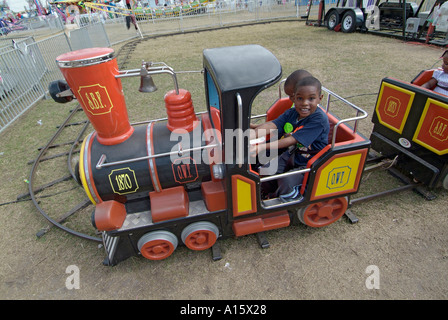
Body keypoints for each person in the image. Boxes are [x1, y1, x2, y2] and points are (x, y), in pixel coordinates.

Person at [251, 76, 329, 202]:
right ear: (293, 99)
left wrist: (262, 146)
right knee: (266, 168)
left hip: (310, 161)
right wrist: (252, 134)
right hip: (293, 153)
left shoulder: (318, 119)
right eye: (300, 98)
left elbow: (292, 140)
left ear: (320, 98)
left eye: (311, 98)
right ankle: (267, 192)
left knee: (287, 179)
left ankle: (290, 199)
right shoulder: (292, 112)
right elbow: (273, 124)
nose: (304, 103)